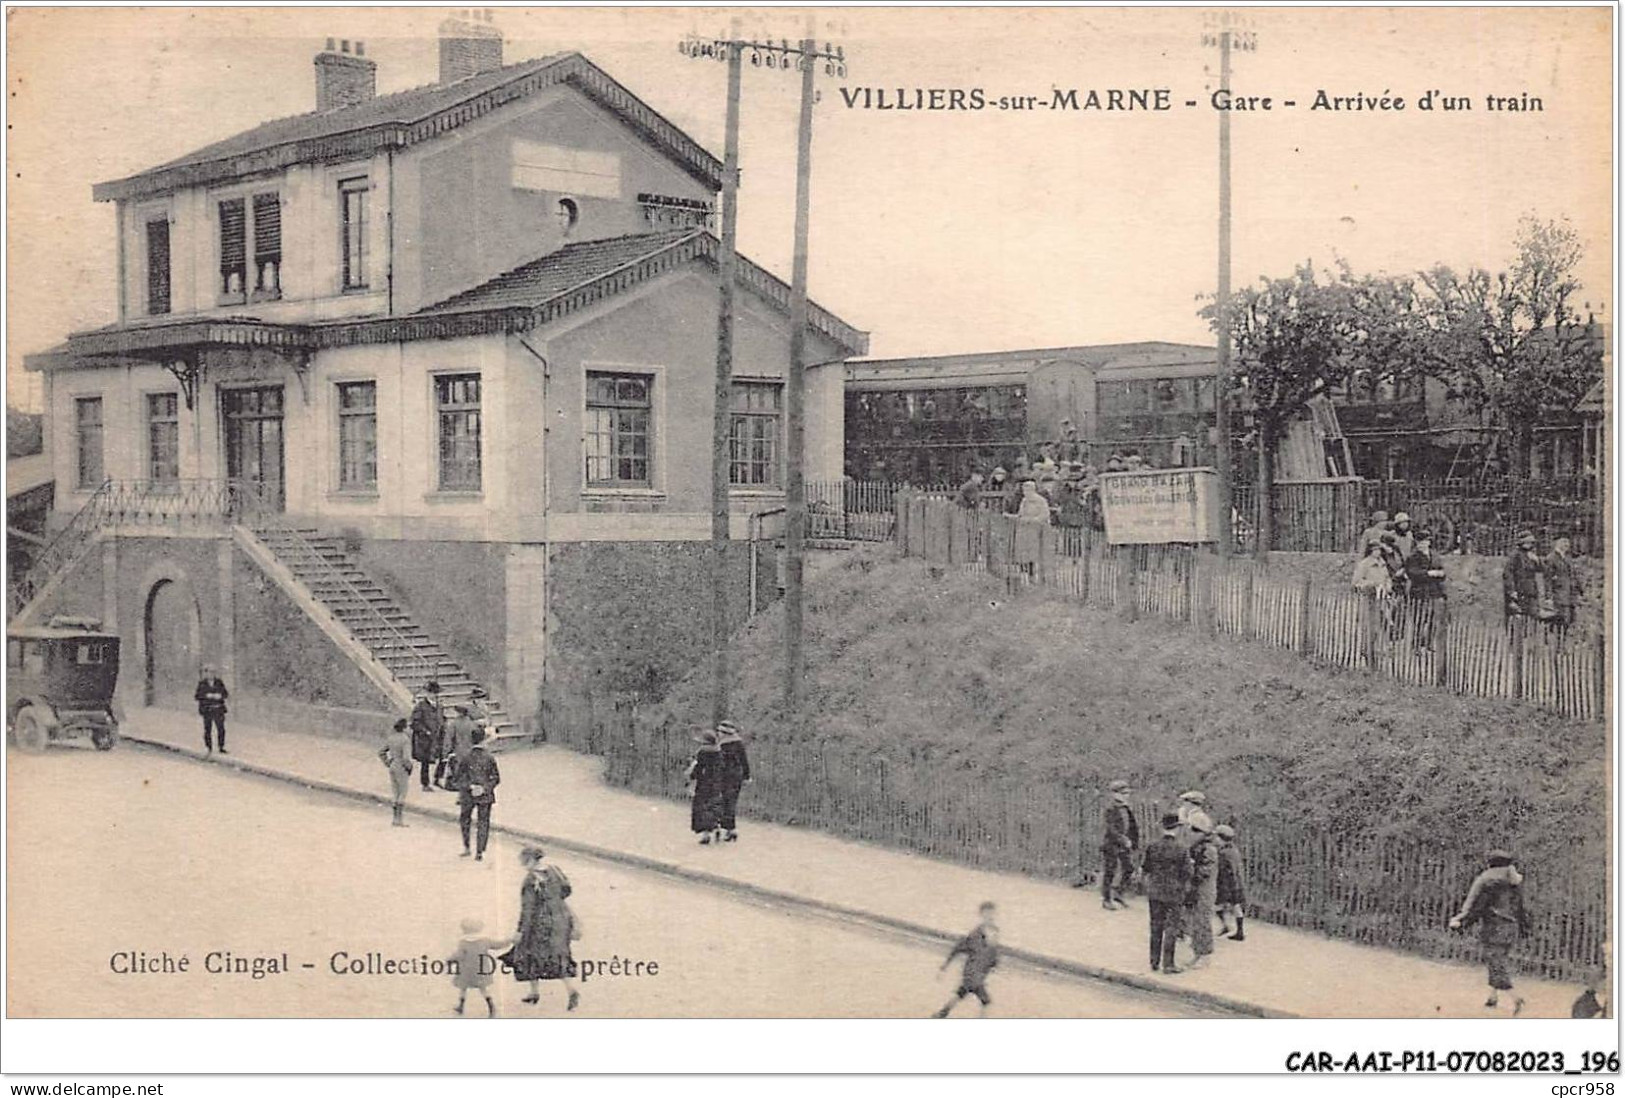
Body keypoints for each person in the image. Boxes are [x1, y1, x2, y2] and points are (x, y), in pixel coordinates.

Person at [498, 846, 581, 1011]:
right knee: (558, 955)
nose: (522, 865)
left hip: (540, 923)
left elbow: (527, 909)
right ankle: (569, 989)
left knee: (527, 954)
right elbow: (567, 890)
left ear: (530, 860)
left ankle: (535, 992)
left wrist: (519, 931)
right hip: (561, 918)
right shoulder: (554, 870)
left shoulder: (530, 880)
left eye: (523, 861)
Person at [1449, 849, 1531, 1014]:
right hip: (1511, 929)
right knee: (1498, 960)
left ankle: (1515, 997)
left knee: (1495, 962)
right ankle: (1492, 997)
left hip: (1495, 927)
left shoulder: (1489, 883)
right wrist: (1524, 929)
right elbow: (1521, 909)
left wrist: (1462, 923)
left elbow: (1478, 907)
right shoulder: (1514, 884)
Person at [1141, 813, 1191, 974]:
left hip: (1155, 891)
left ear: (1163, 827)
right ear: (1176, 829)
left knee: (1155, 926)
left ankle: (1153, 961)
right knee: (1171, 928)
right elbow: (1187, 873)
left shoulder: (1152, 846)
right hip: (1174, 893)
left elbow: (1146, 868)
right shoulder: (1182, 849)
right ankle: (1168, 964)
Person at [932, 901, 1001, 1018]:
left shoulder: (994, 931)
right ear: (982, 914)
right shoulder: (975, 934)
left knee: (961, 993)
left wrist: (993, 964)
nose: (990, 916)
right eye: (988, 913)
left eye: (992, 913)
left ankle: (942, 1013)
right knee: (985, 1001)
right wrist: (945, 966)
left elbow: (992, 953)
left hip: (978, 973)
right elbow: (958, 948)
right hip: (973, 973)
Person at [455, 727, 501, 861]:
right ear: (484, 740)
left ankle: (467, 847)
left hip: (467, 795)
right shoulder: (489, 757)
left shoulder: (465, 757)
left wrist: (470, 786)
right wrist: (484, 788)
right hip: (485, 795)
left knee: (465, 820)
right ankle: (480, 851)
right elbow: (496, 778)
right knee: (483, 822)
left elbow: (458, 777)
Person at [449, 918, 510, 1017]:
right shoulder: (485, 940)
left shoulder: (463, 942)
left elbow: (459, 955)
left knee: (463, 988)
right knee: (483, 989)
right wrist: (509, 941)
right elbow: (498, 945)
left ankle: (461, 1006)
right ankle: (491, 1007)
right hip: (481, 970)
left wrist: (449, 960)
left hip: (466, 971)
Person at [1184, 813, 1219, 968]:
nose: (1190, 833)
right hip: (1195, 889)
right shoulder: (1197, 847)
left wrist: (1191, 868)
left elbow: (1205, 871)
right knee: (1194, 922)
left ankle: (1205, 956)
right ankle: (1197, 954)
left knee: (1202, 922)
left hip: (1204, 890)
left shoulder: (1209, 849)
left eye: (1194, 830)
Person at [1100, 779, 1139, 911]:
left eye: (1127, 793)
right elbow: (1111, 829)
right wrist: (1123, 839)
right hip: (1112, 844)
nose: (1126, 796)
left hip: (1125, 844)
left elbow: (1132, 826)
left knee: (1129, 868)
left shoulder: (1126, 808)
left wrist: (1133, 841)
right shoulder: (1110, 809)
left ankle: (1119, 893)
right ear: (1114, 794)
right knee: (1110, 871)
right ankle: (1106, 899)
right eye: (1123, 793)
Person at [715, 720, 751, 843]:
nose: (718, 733)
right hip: (737, 776)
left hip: (725, 776)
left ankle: (729, 829)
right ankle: (730, 829)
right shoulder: (739, 743)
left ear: (724, 733)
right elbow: (744, 760)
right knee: (731, 802)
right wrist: (746, 776)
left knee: (724, 802)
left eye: (719, 731)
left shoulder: (721, 745)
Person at [687, 729, 725, 844]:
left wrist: (693, 776)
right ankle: (716, 826)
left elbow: (699, 767)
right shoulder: (719, 751)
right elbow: (722, 767)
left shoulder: (703, 752)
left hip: (704, 783)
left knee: (701, 807)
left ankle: (706, 835)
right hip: (716, 783)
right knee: (713, 806)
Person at [378, 717, 415, 827]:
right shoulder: (405, 740)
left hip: (393, 765)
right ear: (404, 728)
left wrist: (387, 762)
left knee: (395, 792)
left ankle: (394, 819)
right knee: (402, 793)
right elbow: (406, 758)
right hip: (401, 767)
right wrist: (409, 768)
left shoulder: (391, 738)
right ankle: (399, 819)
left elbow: (381, 752)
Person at [1503, 531, 1545, 626]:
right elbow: (1507, 574)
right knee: (1519, 618)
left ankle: (1530, 637)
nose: (1530, 545)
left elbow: (1542, 569)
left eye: (1531, 543)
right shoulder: (1515, 555)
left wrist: (1537, 560)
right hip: (1520, 591)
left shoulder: (1531, 556)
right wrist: (1511, 591)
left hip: (1531, 592)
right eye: (1528, 542)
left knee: (1533, 617)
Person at [410, 683, 445, 792]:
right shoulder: (421, 706)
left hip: (438, 737)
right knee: (425, 762)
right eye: (432, 693)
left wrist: (444, 728)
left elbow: (442, 719)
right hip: (425, 739)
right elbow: (414, 722)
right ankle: (425, 784)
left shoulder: (440, 706)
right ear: (427, 693)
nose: (434, 695)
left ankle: (437, 778)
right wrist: (425, 731)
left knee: (443, 758)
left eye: (436, 693)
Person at [1214, 824, 1247, 940]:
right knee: (1236, 906)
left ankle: (1227, 926)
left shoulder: (1223, 853)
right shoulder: (1233, 850)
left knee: (1218, 906)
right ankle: (1238, 930)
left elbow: (1225, 870)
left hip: (1228, 884)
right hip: (1236, 883)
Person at [1546, 535, 1581, 631]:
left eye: (1567, 542)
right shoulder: (1551, 558)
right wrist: (1548, 596)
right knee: (1561, 618)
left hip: (1571, 593)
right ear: (1557, 543)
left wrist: (1580, 590)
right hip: (1559, 593)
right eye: (1564, 542)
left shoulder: (1568, 557)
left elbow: (1574, 574)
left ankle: (1564, 640)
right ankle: (1555, 639)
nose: (1567, 544)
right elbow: (1548, 578)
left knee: (1571, 618)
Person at [443, 705, 481, 790]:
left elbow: (448, 739)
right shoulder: (472, 724)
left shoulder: (454, 724)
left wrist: (446, 752)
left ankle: (458, 785)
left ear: (459, 713)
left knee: (458, 767)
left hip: (458, 750)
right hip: (470, 749)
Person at [194, 666, 230, 755]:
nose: (211, 675)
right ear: (206, 674)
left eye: (213, 672)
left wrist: (220, 696)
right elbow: (197, 696)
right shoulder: (202, 684)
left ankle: (221, 746)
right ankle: (208, 746)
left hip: (218, 709)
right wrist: (207, 696)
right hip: (207, 709)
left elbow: (225, 694)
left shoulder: (219, 682)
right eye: (209, 672)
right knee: (207, 729)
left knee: (221, 728)